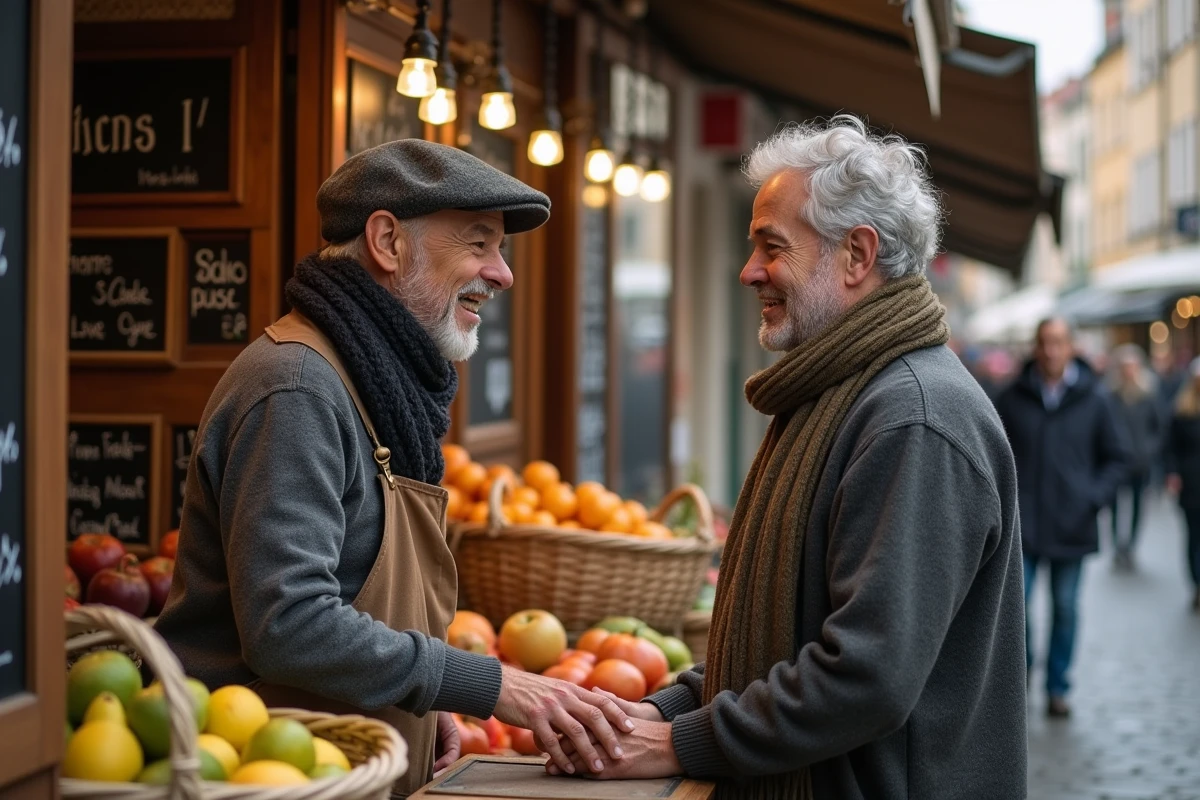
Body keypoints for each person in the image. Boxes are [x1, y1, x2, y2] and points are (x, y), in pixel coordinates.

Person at [547, 116, 1029, 799]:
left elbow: (867, 677)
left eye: (772, 247)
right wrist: (656, 710)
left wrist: (683, 740)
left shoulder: (914, 418)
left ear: (857, 256)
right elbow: (785, 640)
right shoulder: (839, 393)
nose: (749, 272)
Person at [154, 140, 632, 795]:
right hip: (267, 775)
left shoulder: (373, 382)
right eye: (478, 243)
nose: (503, 274)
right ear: (387, 241)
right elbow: (289, 626)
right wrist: (487, 683)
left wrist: (416, 701)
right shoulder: (297, 387)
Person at [994, 318, 1129, 718]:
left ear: (1072, 348)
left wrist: (1094, 497)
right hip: (1025, 524)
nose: (1051, 351)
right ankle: (1021, 677)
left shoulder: (1095, 398)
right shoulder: (1013, 397)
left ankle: (1058, 686)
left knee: (1065, 607)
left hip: (1073, 522)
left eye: (1058, 343)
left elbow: (1118, 457)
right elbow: (993, 450)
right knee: (1017, 609)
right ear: (1036, 348)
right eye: (1045, 343)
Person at [1106, 344, 1164, 569]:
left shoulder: (1148, 394)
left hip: (1141, 462)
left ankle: (1130, 546)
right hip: (1117, 462)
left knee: (1138, 506)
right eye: (1125, 367)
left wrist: (1149, 450)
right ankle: (1117, 546)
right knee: (1114, 507)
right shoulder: (1110, 395)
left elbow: (1159, 427)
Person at [1165, 356, 1200, 611]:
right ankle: (1197, 584)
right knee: (1193, 537)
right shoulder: (1182, 410)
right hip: (1191, 483)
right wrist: (1172, 473)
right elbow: (1171, 448)